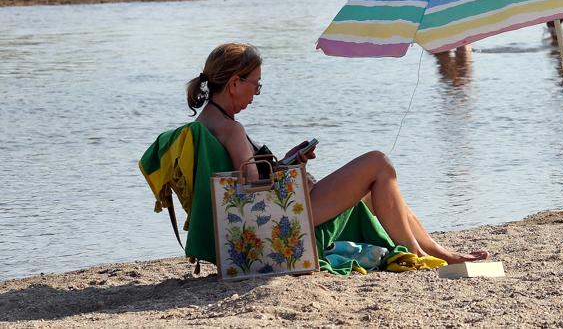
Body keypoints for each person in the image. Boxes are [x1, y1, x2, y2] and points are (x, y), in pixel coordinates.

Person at [188, 43, 488, 265]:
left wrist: (287, 164)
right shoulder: (232, 129)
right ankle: (420, 253)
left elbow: (244, 181)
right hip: (278, 220)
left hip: (270, 217)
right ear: (234, 83)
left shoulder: (209, 122)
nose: (256, 93)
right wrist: (289, 175)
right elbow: (254, 191)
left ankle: (436, 251)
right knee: (378, 163)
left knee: (377, 188)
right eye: (255, 85)